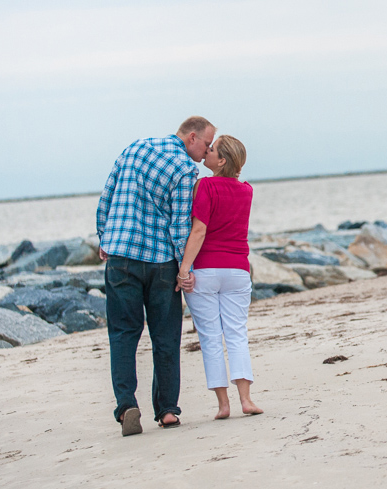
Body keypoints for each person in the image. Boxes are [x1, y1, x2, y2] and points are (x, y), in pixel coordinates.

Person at [96, 116, 215, 437]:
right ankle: (166, 410)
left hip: (121, 257)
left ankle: (125, 406)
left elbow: (106, 197)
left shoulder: (134, 149)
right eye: (206, 144)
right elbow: (179, 224)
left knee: (123, 334)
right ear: (192, 137)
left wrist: (104, 238)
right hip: (160, 262)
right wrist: (183, 267)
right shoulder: (184, 168)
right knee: (165, 336)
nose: (208, 153)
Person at [177, 134, 263, 420]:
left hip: (206, 270)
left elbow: (199, 230)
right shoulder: (247, 190)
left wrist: (184, 268)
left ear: (222, 160)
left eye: (211, 150)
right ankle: (246, 400)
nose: (206, 153)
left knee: (211, 338)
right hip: (238, 270)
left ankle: (223, 405)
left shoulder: (205, 185)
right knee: (237, 334)